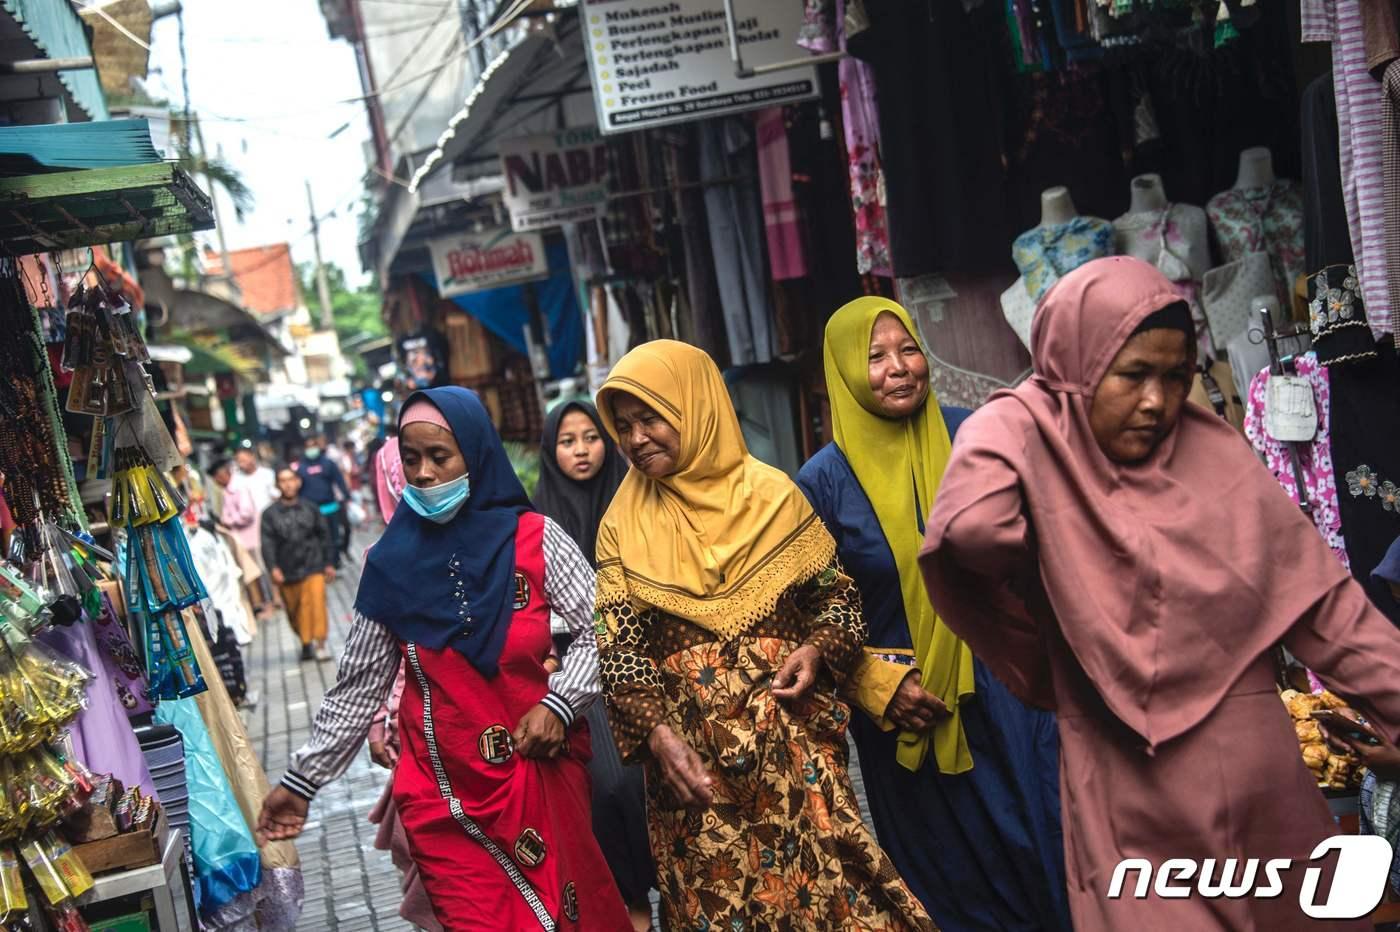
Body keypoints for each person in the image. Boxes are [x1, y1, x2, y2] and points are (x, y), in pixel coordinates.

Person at [918, 257, 1400, 930]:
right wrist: (1032, 405)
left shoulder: (1213, 456)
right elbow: (974, 529)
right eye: (1132, 374)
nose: (1157, 401)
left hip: (1236, 787)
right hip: (1141, 799)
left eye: (1176, 376)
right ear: (1072, 366)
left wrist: (1026, 412)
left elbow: (1334, 617)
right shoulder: (1049, 438)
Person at [256, 387, 630, 931]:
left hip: (538, 775)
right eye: (412, 460)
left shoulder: (535, 540)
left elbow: (605, 627)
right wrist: (301, 782)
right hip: (445, 798)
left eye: (440, 456)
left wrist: (561, 703)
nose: (425, 474)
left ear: (474, 454)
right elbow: (357, 687)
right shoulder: (390, 565)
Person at [593, 340, 933, 931]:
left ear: (693, 406)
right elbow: (620, 653)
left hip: (795, 758)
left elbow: (839, 599)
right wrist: (660, 741)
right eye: (623, 426)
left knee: (836, 903)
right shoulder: (620, 526)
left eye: (651, 417)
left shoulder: (774, 494)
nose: (637, 437)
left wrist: (814, 649)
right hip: (694, 783)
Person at [796, 297, 1069, 931]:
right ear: (840, 372)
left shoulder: (977, 436)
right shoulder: (821, 485)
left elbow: (1046, 549)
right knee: (950, 886)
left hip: (1013, 697)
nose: (898, 368)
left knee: (1047, 853)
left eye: (908, 348)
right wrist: (872, 684)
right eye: (874, 356)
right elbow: (808, 610)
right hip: (910, 719)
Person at [533, 402, 654, 931]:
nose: (582, 450)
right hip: (581, 670)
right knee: (609, 787)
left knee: (653, 782)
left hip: (648, 657)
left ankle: (664, 882)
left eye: (591, 437)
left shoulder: (639, 500)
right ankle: (631, 896)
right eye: (568, 441)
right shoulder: (537, 519)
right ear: (550, 450)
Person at [260, 468, 336, 662]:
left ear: (298, 482)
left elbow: (324, 535)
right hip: (287, 569)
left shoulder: (310, 508)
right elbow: (267, 543)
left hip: (313, 564)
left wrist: (329, 562)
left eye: (291, 479)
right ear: (277, 485)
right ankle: (305, 643)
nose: (288, 484)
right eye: (283, 481)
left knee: (316, 604)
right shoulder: (269, 514)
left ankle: (320, 644)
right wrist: (273, 568)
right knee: (295, 610)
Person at [212, 458, 271, 615]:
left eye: (217, 478)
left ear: (223, 474)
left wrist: (228, 521)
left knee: (261, 571)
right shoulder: (227, 491)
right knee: (253, 573)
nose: (216, 482)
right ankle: (262, 604)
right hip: (241, 539)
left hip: (251, 537)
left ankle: (270, 603)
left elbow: (246, 514)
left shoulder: (238, 488)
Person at [233, 447, 280, 609]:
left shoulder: (267, 474)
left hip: (273, 522)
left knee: (276, 559)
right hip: (251, 529)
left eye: (244, 459)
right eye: (239, 460)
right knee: (261, 565)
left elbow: (276, 493)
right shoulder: (237, 479)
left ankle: (279, 596)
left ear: (252, 457)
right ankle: (271, 599)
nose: (242, 463)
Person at [295, 435, 351, 567]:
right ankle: (320, 563)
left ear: (317, 447)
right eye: (308, 447)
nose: (311, 449)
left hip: (330, 507)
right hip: (310, 511)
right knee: (316, 539)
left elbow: (339, 480)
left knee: (334, 536)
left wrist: (346, 496)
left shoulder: (328, 463)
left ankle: (335, 561)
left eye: (313, 446)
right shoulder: (300, 467)